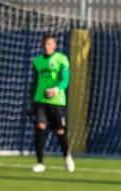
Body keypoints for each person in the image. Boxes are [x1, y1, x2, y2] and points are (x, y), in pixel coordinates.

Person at [29, 33, 74, 173]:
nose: (46, 46)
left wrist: (56, 89)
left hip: (57, 101)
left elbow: (65, 80)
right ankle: (40, 162)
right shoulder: (37, 62)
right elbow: (35, 83)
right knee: (40, 126)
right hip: (40, 100)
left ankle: (66, 155)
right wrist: (31, 100)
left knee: (60, 131)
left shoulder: (61, 59)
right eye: (44, 44)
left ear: (54, 45)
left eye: (49, 44)